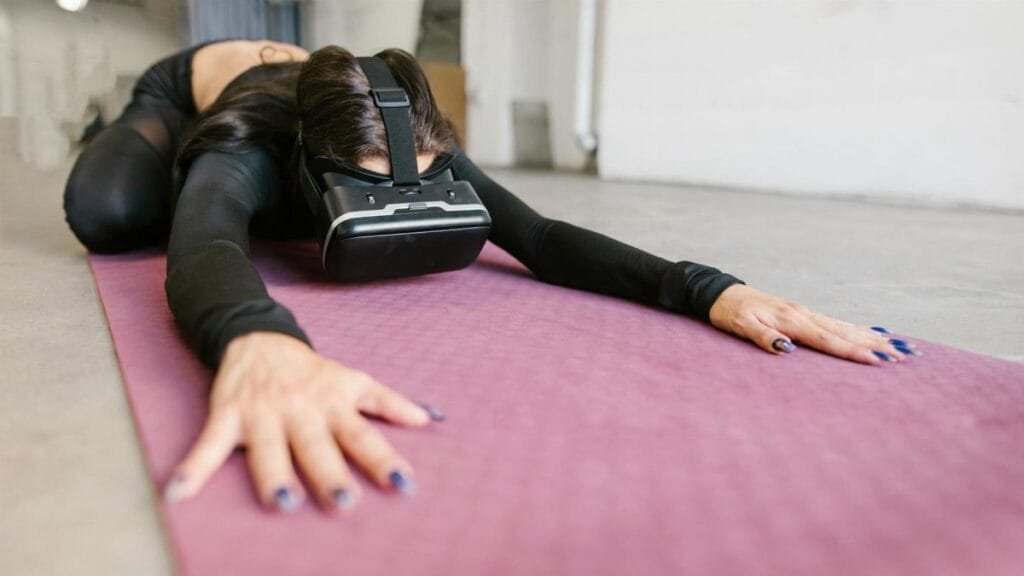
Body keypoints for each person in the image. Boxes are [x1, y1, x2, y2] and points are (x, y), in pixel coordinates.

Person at [63, 39, 918, 515]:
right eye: (375, 183)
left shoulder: (413, 132)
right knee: (108, 217)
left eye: (425, 175)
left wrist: (709, 289)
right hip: (204, 85)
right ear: (309, 164)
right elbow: (208, 246)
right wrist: (260, 340)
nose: (410, 194)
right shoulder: (250, 142)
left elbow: (539, 236)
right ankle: (142, 113)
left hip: (328, 81)